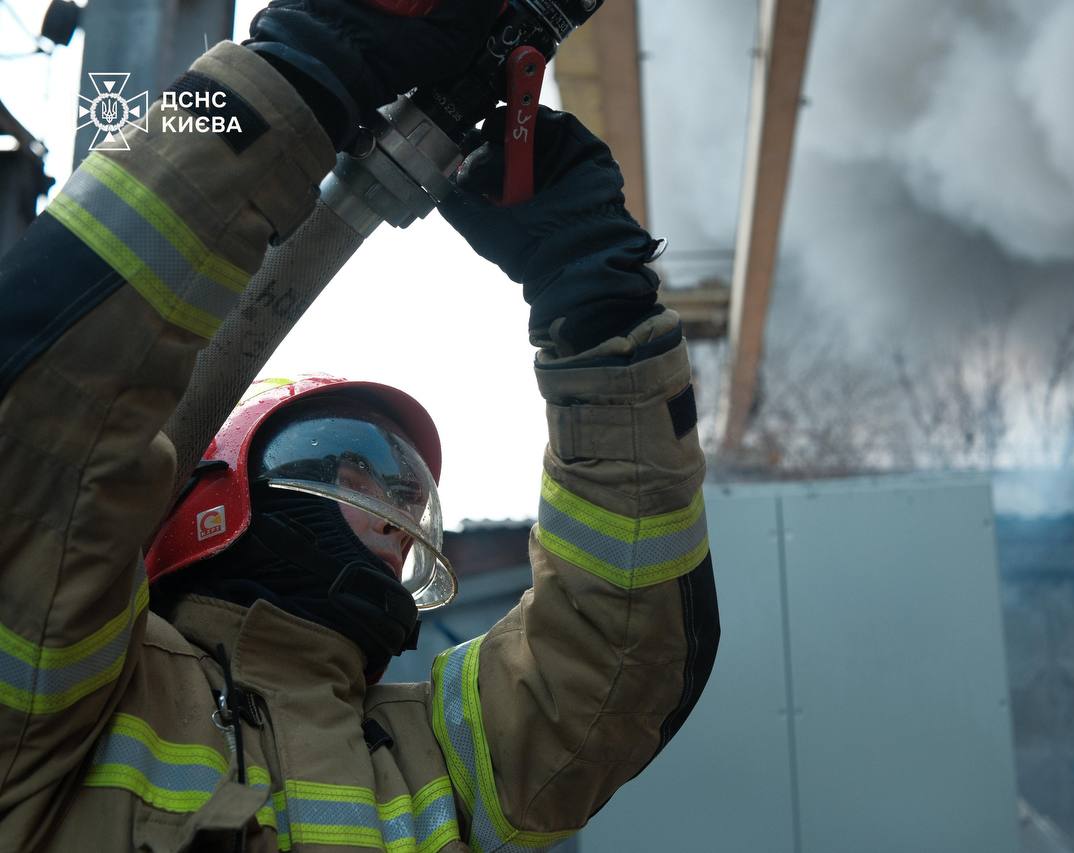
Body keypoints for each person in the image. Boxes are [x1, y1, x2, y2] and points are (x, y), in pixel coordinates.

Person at [0, 0, 719, 849]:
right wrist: (298, 74)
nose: (400, 505)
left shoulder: (440, 757)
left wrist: (601, 318)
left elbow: (626, 661)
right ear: (220, 488)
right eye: (361, 463)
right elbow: (47, 427)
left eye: (413, 487)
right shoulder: (71, 686)